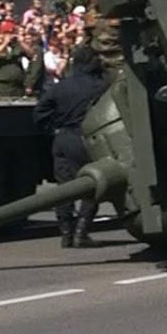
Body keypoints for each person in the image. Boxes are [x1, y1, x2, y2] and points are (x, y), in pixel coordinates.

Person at [32, 45, 110, 248]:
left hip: (63, 138)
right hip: (88, 137)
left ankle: (66, 234)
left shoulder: (61, 87)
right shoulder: (101, 86)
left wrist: (53, 128)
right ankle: (81, 232)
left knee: (64, 187)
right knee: (93, 185)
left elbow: (39, 112)